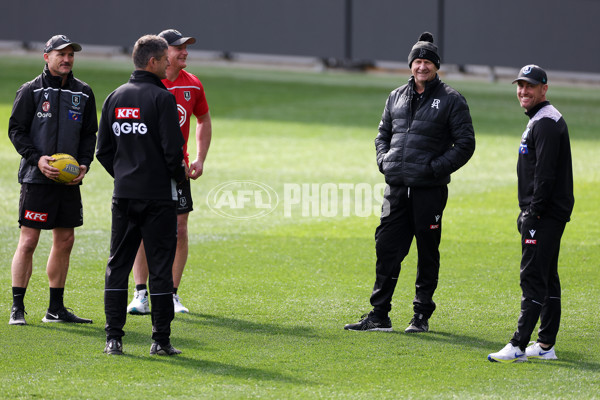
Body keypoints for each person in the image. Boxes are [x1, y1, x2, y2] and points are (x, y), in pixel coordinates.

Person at [344, 32, 475, 333]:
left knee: (427, 252)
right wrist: (384, 161)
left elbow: (465, 143)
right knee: (386, 248)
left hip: (429, 190)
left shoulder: (451, 99)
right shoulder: (395, 97)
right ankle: (379, 315)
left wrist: (434, 168)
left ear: (436, 66)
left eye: (427, 61)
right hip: (397, 188)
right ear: (410, 65)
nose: (422, 67)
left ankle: (421, 315)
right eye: (417, 61)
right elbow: (382, 135)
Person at [96, 34, 187, 356]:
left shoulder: (114, 97)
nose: (168, 64)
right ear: (152, 62)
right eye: (165, 60)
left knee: (117, 266)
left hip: (123, 197)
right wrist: (176, 177)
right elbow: (173, 152)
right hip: (157, 198)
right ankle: (160, 341)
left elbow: (103, 152)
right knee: (161, 269)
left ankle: (113, 339)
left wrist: (124, 176)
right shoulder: (162, 99)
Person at [8, 34, 97, 326]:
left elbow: (88, 135)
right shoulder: (31, 91)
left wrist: (84, 164)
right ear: (46, 57)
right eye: (61, 54)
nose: (67, 59)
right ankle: (17, 308)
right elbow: (16, 131)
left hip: (68, 182)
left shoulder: (83, 92)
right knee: (29, 240)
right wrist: (38, 159)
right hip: (36, 178)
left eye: (71, 54)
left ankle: (55, 309)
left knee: (65, 239)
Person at [488, 65, 574, 363]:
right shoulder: (542, 119)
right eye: (520, 85)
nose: (523, 91)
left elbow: (545, 175)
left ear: (544, 89)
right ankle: (546, 345)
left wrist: (532, 213)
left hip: (544, 214)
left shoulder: (546, 123)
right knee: (547, 277)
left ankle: (518, 345)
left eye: (530, 86)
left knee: (533, 277)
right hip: (546, 212)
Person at [126, 28, 212, 315]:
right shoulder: (147, 85)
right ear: (163, 54)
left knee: (179, 229)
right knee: (141, 228)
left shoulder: (194, 85)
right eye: (179, 48)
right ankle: (141, 294)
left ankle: (172, 295)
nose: (185, 52)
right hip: (147, 172)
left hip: (178, 169)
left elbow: (203, 119)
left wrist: (199, 157)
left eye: (186, 47)